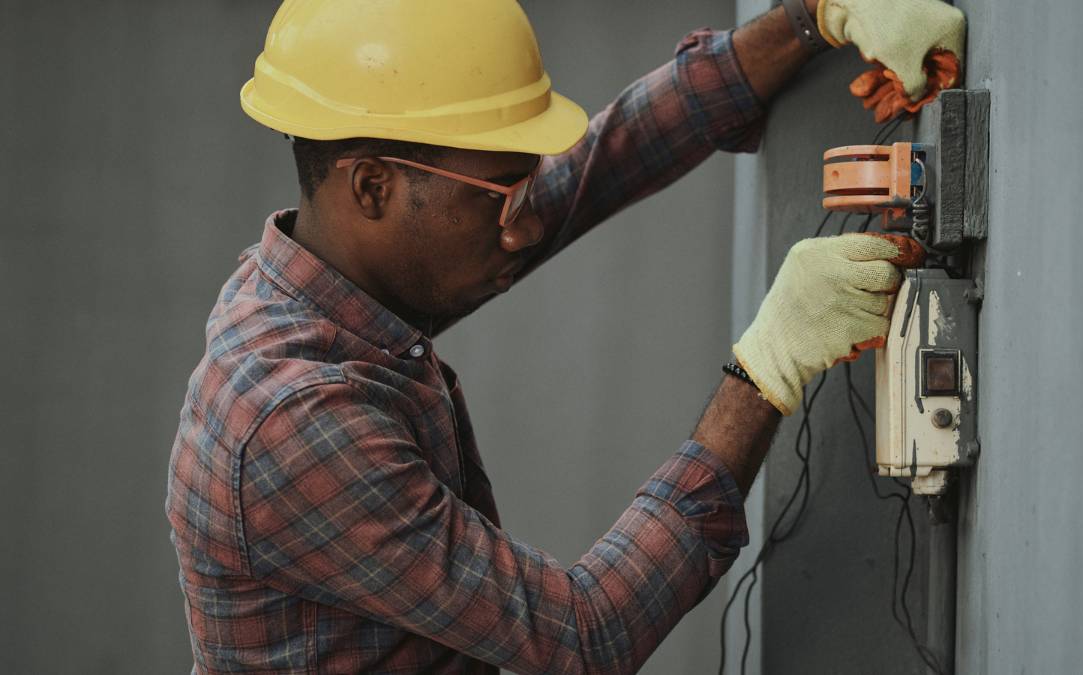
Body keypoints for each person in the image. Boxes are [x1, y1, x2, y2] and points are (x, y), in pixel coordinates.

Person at [165, 0, 965, 672]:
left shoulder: (325, 279)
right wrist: (764, 371)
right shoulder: (296, 420)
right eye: (499, 197)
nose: (520, 229)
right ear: (373, 185)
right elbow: (581, 634)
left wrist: (812, 17)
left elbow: (605, 159)